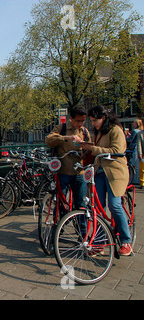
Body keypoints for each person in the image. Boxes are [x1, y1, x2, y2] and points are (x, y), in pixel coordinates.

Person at [79, 105, 132, 256]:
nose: (93, 123)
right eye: (91, 120)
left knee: (114, 205)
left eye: (95, 120)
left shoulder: (116, 130)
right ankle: (100, 242)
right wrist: (86, 151)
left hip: (115, 172)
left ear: (104, 118)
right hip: (100, 172)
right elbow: (96, 148)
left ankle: (126, 241)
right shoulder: (98, 132)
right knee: (98, 208)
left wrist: (93, 149)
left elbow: (117, 151)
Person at [45, 105, 91, 210]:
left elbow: (89, 148)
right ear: (71, 118)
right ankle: (60, 224)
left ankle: (82, 226)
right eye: (77, 121)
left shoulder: (84, 131)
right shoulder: (62, 128)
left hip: (79, 172)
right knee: (61, 202)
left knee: (81, 204)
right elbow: (49, 140)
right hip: (63, 171)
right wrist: (67, 138)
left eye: (82, 121)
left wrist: (85, 152)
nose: (80, 124)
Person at [127, 119, 144, 185]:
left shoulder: (135, 131)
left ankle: (136, 180)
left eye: (134, 123)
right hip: (139, 149)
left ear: (137, 124)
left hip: (135, 149)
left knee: (135, 165)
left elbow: (131, 140)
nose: (133, 124)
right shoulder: (140, 131)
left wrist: (125, 137)